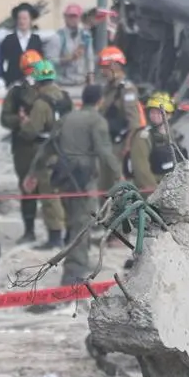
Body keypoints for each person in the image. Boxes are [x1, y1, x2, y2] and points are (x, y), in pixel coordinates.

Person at [36, 84, 121, 292]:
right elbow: (104, 151)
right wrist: (119, 174)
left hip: (64, 177)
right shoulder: (97, 120)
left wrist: (32, 172)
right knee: (82, 225)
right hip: (83, 180)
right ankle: (73, 273)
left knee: (75, 222)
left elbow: (47, 146)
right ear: (99, 101)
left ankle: (76, 263)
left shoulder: (66, 118)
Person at [12, 59, 67, 248]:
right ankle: (67, 234)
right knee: (64, 194)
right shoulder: (64, 97)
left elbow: (31, 130)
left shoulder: (41, 104)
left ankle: (54, 237)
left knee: (49, 196)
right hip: (67, 152)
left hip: (47, 152)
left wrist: (24, 121)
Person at [127, 89, 184, 196]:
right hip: (153, 193)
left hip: (173, 190)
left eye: (160, 112)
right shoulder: (143, 137)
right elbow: (141, 171)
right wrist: (156, 193)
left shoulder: (174, 136)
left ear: (169, 115)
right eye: (152, 112)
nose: (155, 115)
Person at [0, 4, 43, 86]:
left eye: (25, 18)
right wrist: (2, 78)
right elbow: (1, 61)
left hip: (32, 83)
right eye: (20, 18)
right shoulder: (9, 39)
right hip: (12, 82)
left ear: (31, 20)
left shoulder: (36, 40)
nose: (22, 21)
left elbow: (40, 62)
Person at [52, 5, 91, 88]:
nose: (73, 19)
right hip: (63, 83)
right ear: (65, 17)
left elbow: (89, 58)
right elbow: (52, 60)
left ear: (79, 18)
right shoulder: (58, 36)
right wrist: (68, 58)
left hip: (81, 82)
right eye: (70, 16)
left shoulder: (85, 35)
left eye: (75, 16)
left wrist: (91, 80)